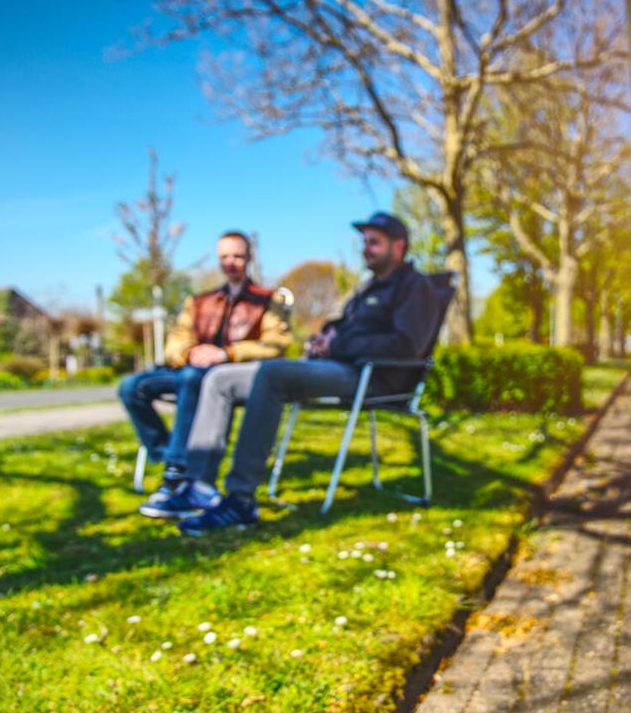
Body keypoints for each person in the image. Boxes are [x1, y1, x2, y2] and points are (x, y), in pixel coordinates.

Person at [141, 212, 436, 534]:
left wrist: (338, 345)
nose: (366, 248)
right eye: (364, 241)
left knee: (271, 374)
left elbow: (407, 345)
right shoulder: (368, 288)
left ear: (399, 246)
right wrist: (324, 338)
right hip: (335, 365)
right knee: (219, 378)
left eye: (374, 242)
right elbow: (341, 329)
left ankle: (240, 501)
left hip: (372, 378)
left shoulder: (415, 287)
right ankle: (197, 485)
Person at [118, 231, 291, 516]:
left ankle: (177, 475)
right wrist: (190, 353)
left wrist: (228, 353)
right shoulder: (199, 302)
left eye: (237, 255)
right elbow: (176, 341)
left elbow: (276, 344)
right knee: (131, 387)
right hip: (190, 369)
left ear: (249, 258)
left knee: (194, 379)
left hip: (228, 375)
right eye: (225, 256)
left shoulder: (266, 300)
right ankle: (168, 455)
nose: (231, 262)